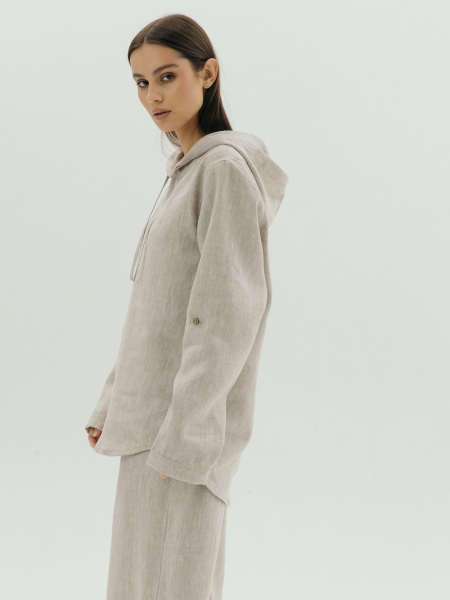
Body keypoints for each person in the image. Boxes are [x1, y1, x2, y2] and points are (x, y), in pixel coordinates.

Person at [85, 13, 289, 600]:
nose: (153, 96)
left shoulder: (223, 171)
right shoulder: (183, 172)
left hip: (182, 429)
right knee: (139, 581)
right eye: (141, 82)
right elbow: (156, 308)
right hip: (148, 422)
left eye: (167, 76)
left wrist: (189, 428)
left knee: (176, 583)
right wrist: (113, 400)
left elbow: (227, 313)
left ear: (208, 73)